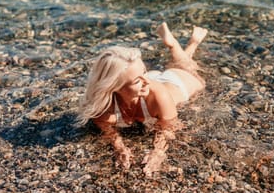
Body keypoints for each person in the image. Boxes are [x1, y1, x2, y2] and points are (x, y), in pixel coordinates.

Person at [78, 22, 208, 176]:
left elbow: (168, 128)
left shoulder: (157, 92)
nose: (146, 80)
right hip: (141, 89)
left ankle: (185, 44)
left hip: (176, 84)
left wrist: (158, 153)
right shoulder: (103, 108)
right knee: (180, 66)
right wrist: (119, 148)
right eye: (137, 80)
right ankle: (175, 47)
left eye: (144, 70)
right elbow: (107, 129)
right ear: (115, 87)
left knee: (189, 69)